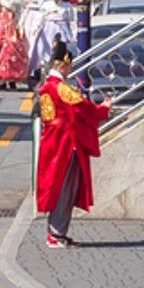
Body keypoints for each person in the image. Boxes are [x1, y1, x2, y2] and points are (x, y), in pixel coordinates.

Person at [33, 66, 105, 253]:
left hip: (52, 140)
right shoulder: (61, 88)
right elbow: (82, 107)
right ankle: (55, 233)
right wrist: (102, 110)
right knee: (64, 189)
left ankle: (58, 231)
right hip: (64, 143)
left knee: (58, 187)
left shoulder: (47, 85)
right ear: (62, 65)